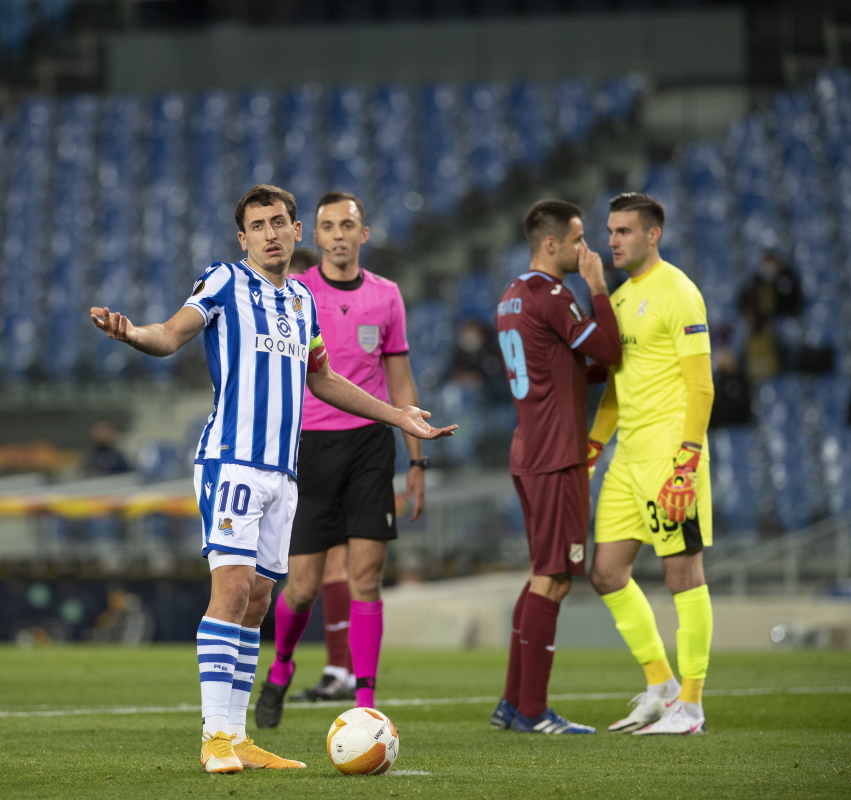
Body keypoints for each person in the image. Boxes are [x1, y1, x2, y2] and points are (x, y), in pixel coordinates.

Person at [89, 184, 456, 775]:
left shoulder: (303, 304)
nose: (270, 232)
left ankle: (238, 737)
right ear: (243, 238)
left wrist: (397, 415)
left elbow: (324, 380)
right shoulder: (224, 282)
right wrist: (132, 333)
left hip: (284, 475)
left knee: (259, 602)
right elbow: (172, 333)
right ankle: (214, 737)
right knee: (231, 592)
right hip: (232, 461)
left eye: (279, 222)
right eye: (258, 225)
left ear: (296, 231)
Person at [254, 191, 425, 725]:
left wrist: (416, 459)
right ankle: (281, 667)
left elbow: (399, 378)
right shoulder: (296, 293)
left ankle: (366, 706)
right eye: (327, 226)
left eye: (347, 224)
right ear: (315, 235)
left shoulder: (388, 296)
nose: (338, 234)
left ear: (363, 234)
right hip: (311, 447)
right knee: (302, 587)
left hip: (372, 445)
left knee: (366, 577)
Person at [488, 200, 622, 735]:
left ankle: (511, 702)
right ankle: (532, 710)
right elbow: (608, 349)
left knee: (541, 575)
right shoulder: (554, 296)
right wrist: (599, 287)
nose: (585, 250)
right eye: (578, 240)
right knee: (555, 579)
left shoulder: (511, 297)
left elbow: (557, 368)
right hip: (556, 454)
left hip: (529, 449)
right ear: (551, 244)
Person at [588, 193, 715, 735]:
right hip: (628, 459)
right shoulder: (619, 299)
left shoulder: (680, 293)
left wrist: (688, 459)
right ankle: (660, 687)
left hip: (670, 457)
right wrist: (592, 450)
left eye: (624, 232)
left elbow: (701, 384)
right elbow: (615, 390)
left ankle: (691, 706)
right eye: (611, 231)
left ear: (652, 235)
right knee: (605, 572)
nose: (613, 241)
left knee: (682, 574)